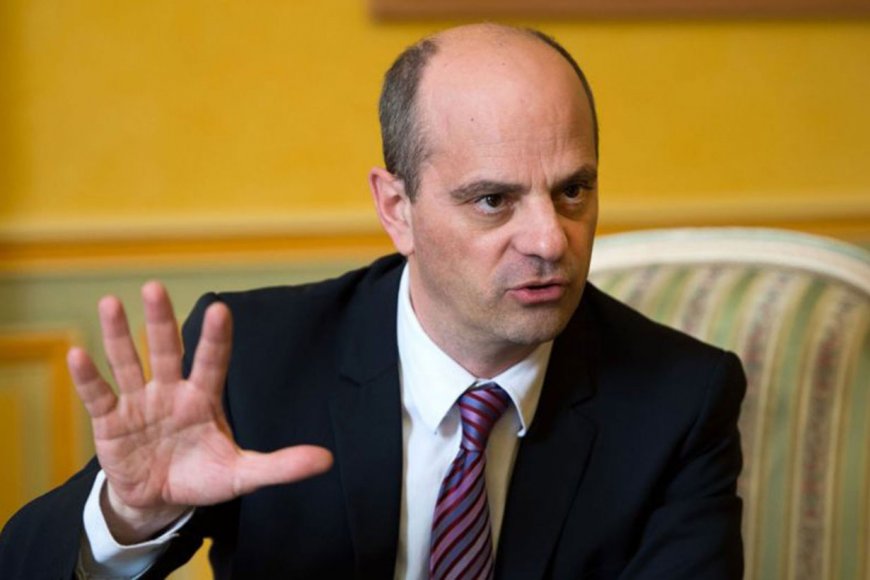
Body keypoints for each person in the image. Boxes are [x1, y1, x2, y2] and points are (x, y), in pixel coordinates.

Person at [0, 23, 745, 579]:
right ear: (397, 209)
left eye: (573, 190)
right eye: (493, 200)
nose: (551, 239)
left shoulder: (680, 397)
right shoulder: (257, 358)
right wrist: (130, 516)